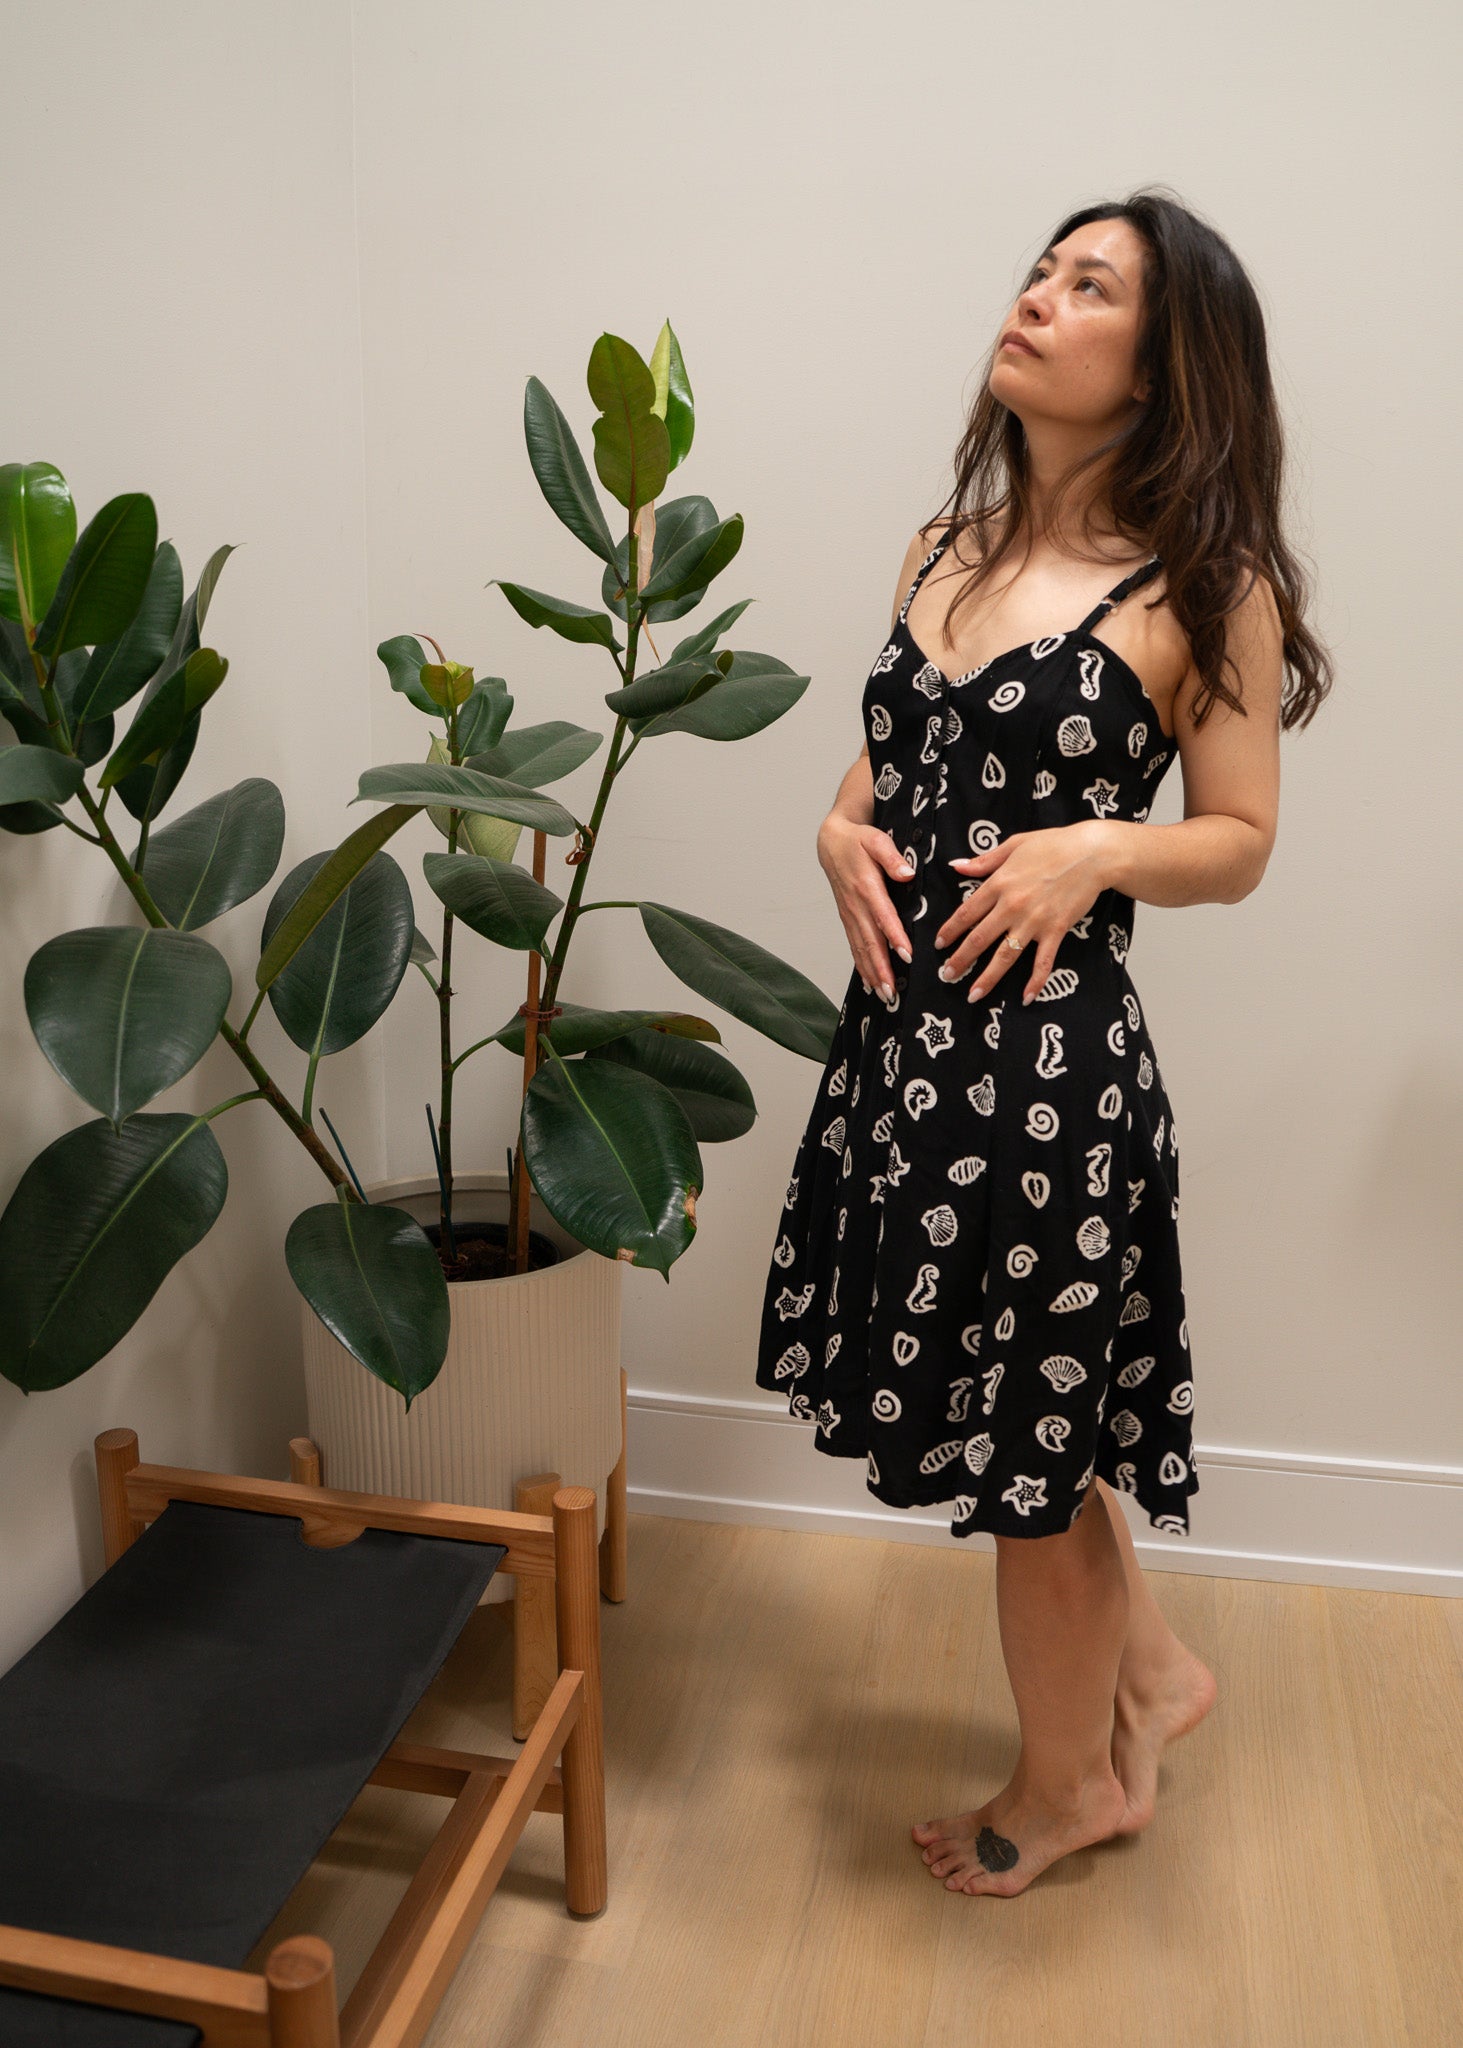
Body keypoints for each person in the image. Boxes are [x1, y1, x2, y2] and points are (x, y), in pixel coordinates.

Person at [754, 189, 1331, 1898]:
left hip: (1045, 1085)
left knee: (1029, 1462)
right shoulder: (947, 544)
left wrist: (1096, 851)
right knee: (1035, 1426)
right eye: (1039, 269)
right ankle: (1152, 1678)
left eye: (1091, 289)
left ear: (1159, 372)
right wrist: (833, 831)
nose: (1037, 299)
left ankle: (1070, 1785)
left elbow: (1238, 836)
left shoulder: (1200, 588)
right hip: (902, 1061)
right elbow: (888, 768)